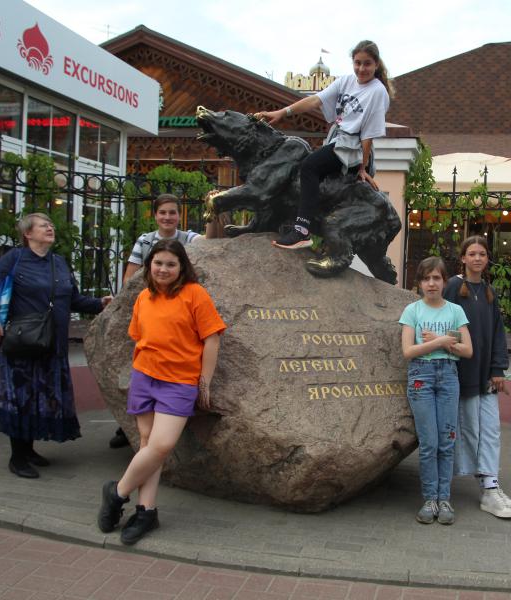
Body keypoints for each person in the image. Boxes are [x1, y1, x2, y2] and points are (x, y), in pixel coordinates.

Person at [98, 239, 226, 545]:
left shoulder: (194, 294)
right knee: (147, 445)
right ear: (149, 265)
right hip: (144, 377)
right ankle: (147, 512)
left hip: (179, 382)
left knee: (161, 446)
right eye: (158, 263)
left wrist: (204, 381)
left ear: (182, 267)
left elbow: (212, 339)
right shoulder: (144, 296)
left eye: (171, 264)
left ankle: (117, 493)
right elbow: (139, 336)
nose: (163, 269)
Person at [0, 213, 112, 479]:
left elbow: (72, 300)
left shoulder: (58, 262)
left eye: (51, 224)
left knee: (40, 398)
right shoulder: (14, 259)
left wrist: (99, 304)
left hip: (52, 343)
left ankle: (29, 450)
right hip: (22, 343)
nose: (50, 228)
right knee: (21, 398)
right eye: (43, 225)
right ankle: (17, 457)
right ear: (28, 234)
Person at [253, 40, 393, 249]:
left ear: (376, 64)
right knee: (303, 166)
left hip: (353, 148)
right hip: (338, 141)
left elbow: (368, 134)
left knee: (310, 166)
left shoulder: (377, 92)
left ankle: (302, 230)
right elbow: (315, 100)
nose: (361, 69)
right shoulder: (346, 81)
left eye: (367, 64)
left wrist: (363, 168)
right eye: (357, 63)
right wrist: (282, 112)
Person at [111, 193, 218, 449]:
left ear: (179, 215)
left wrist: (213, 211)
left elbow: (211, 240)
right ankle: (125, 429)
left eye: (172, 212)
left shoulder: (187, 239)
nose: (167, 217)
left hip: (178, 360)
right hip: (151, 310)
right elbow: (129, 278)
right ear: (155, 215)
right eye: (162, 212)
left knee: (156, 442)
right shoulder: (145, 241)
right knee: (145, 418)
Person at [443, 236, 511, 519]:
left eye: (482, 254)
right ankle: (485, 486)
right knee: (471, 431)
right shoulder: (453, 286)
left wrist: (498, 369)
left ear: (487, 259)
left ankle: (491, 487)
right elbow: (446, 324)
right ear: (463, 258)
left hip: (486, 374)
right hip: (464, 374)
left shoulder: (488, 291)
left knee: (491, 430)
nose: (477, 258)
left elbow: (497, 333)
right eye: (472, 254)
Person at [399, 257, 472, 525]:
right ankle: (430, 499)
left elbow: (468, 350)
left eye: (436, 278)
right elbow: (409, 351)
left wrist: (437, 341)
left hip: (449, 377)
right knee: (429, 443)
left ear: (444, 281)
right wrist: (444, 341)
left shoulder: (455, 311)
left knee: (446, 441)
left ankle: (445, 499)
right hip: (422, 377)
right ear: (419, 283)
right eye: (426, 278)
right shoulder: (412, 311)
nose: (431, 283)